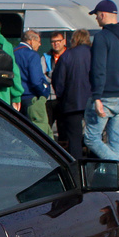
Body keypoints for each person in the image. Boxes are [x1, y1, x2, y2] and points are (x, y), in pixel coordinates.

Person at [84, 0, 119, 161]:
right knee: (114, 139)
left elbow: (98, 68)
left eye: (97, 16)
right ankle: (115, 180)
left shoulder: (101, 37)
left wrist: (97, 96)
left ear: (103, 15)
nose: (96, 19)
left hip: (105, 96)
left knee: (91, 138)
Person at [51, 29, 92, 159]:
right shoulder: (94, 54)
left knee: (74, 138)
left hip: (71, 101)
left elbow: (58, 81)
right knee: (94, 136)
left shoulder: (67, 56)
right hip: (92, 101)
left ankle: (77, 167)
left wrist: (61, 96)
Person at [14, 29, 51, 135]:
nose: (39, 45)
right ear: (31, 41)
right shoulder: (32, 55)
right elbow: (36, 81)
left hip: (16, 99)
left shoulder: (12, 52)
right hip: (31, 98)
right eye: (38, 41)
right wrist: (44, 92)